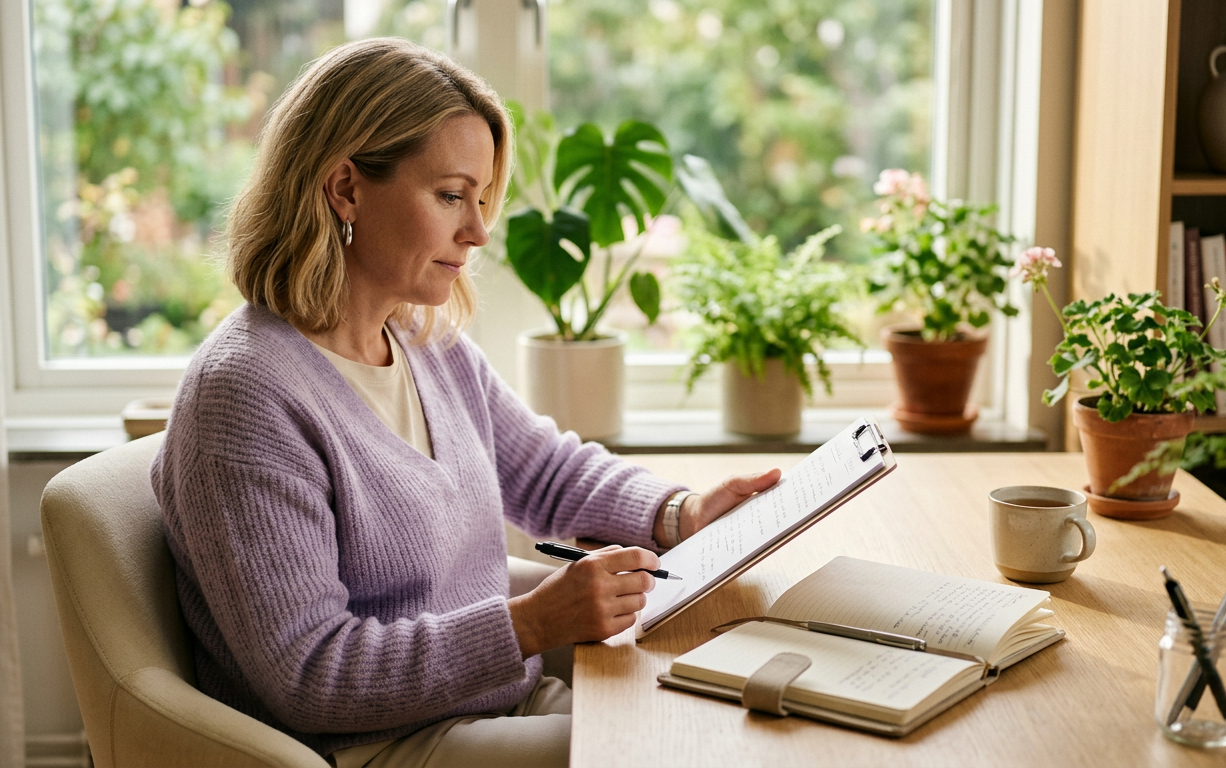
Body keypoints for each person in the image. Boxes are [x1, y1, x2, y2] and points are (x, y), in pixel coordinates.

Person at [153, 37, 780, 768]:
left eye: (481, 200)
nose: (478, 232)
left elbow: (547, 474)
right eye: (451, 195)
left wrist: (683, 514)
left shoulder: (424, 340)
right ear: (345, 189)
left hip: (492, 703)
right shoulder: (246, 395)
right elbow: (310, 673)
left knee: (724, 714)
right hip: (378, 745)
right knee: (684, 747)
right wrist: (525, 625)